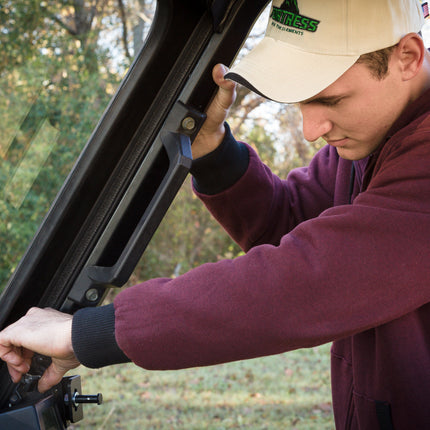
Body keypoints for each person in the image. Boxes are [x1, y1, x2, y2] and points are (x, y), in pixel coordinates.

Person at [1, 0, 430, 428]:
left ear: (408, 56)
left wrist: (88, 333)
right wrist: (211, 150)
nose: (310, 130)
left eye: (331, 99)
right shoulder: (370, 143)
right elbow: (290, 222)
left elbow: (311, 278)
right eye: (300, 100)